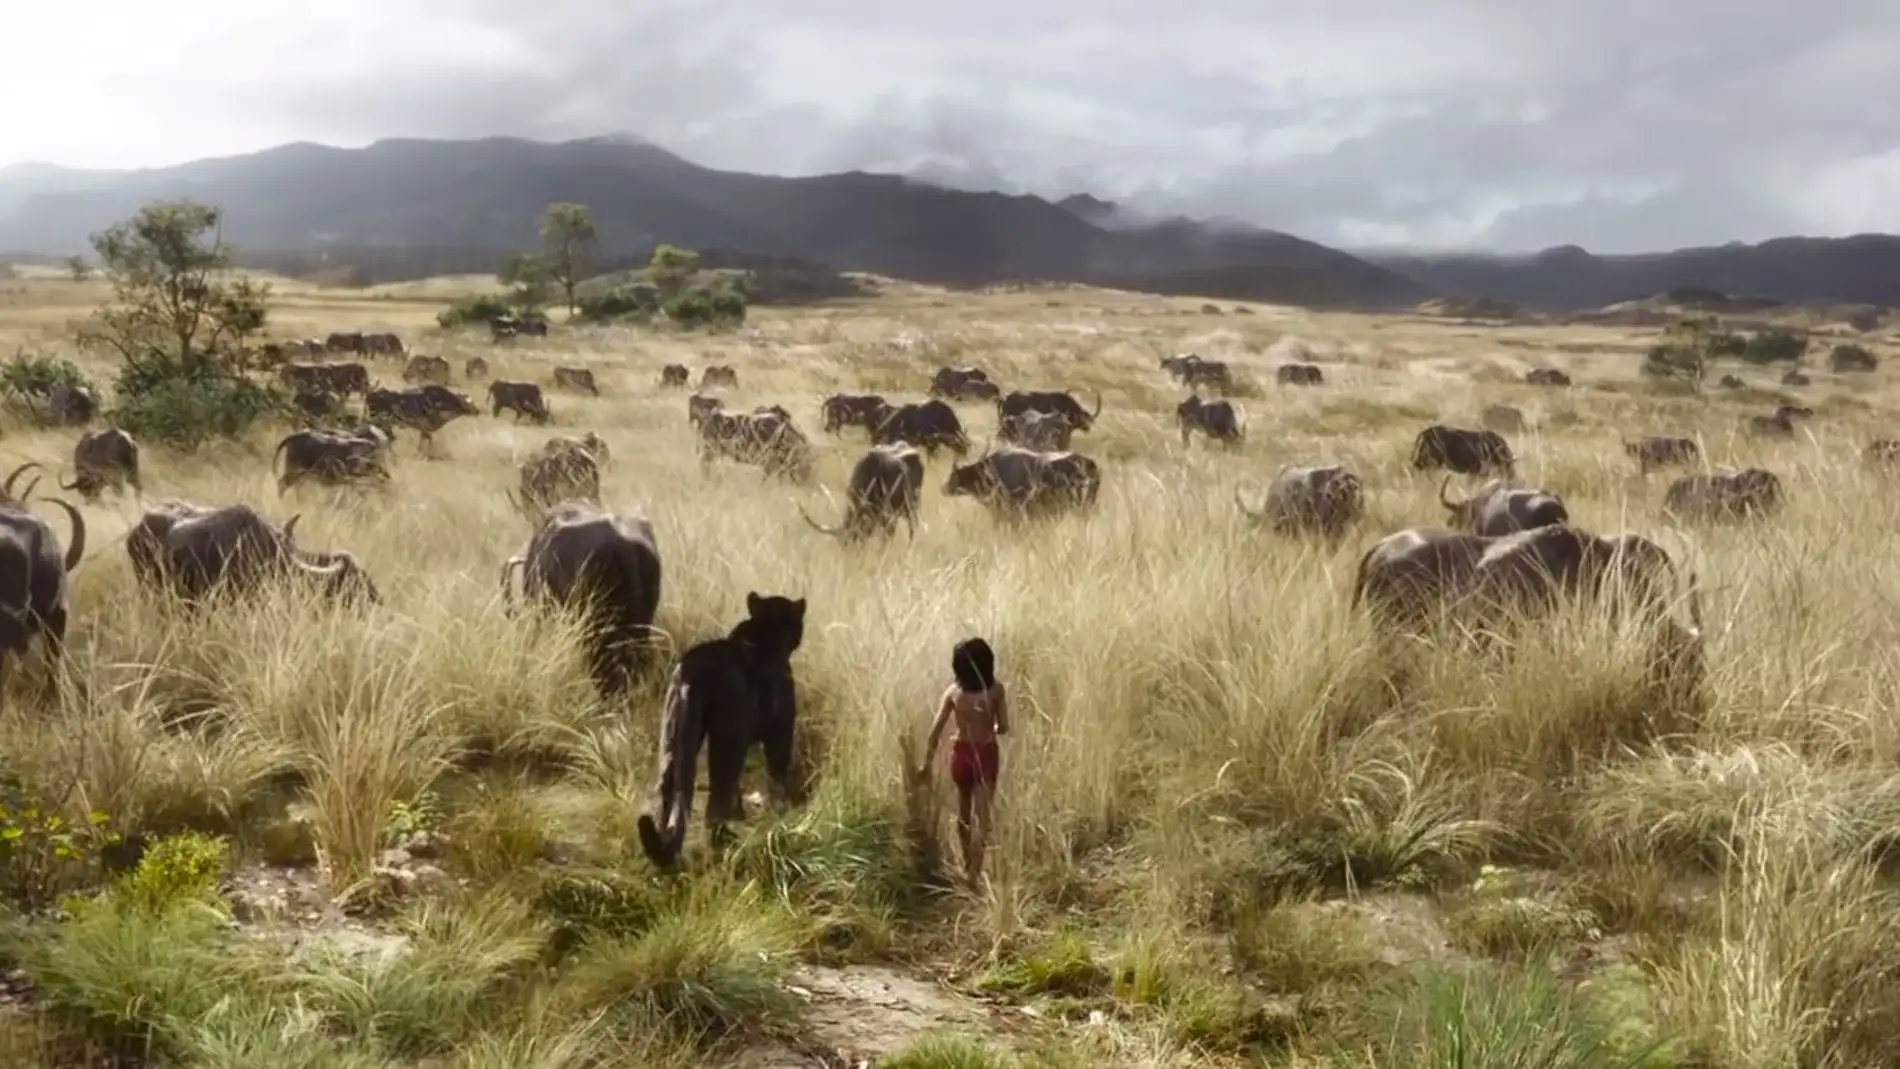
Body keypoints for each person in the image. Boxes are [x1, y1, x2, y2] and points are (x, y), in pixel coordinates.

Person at [917, 637, 1010, 887]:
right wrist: (989, 723)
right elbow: (1003, 727)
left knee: (963, 814)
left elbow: (934, 732)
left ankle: (968, 861)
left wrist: (925, 764)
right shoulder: (996, 690)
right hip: (986, 754)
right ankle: (973, 876)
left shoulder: (953, 693)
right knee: (982, 818)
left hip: (961, 754)